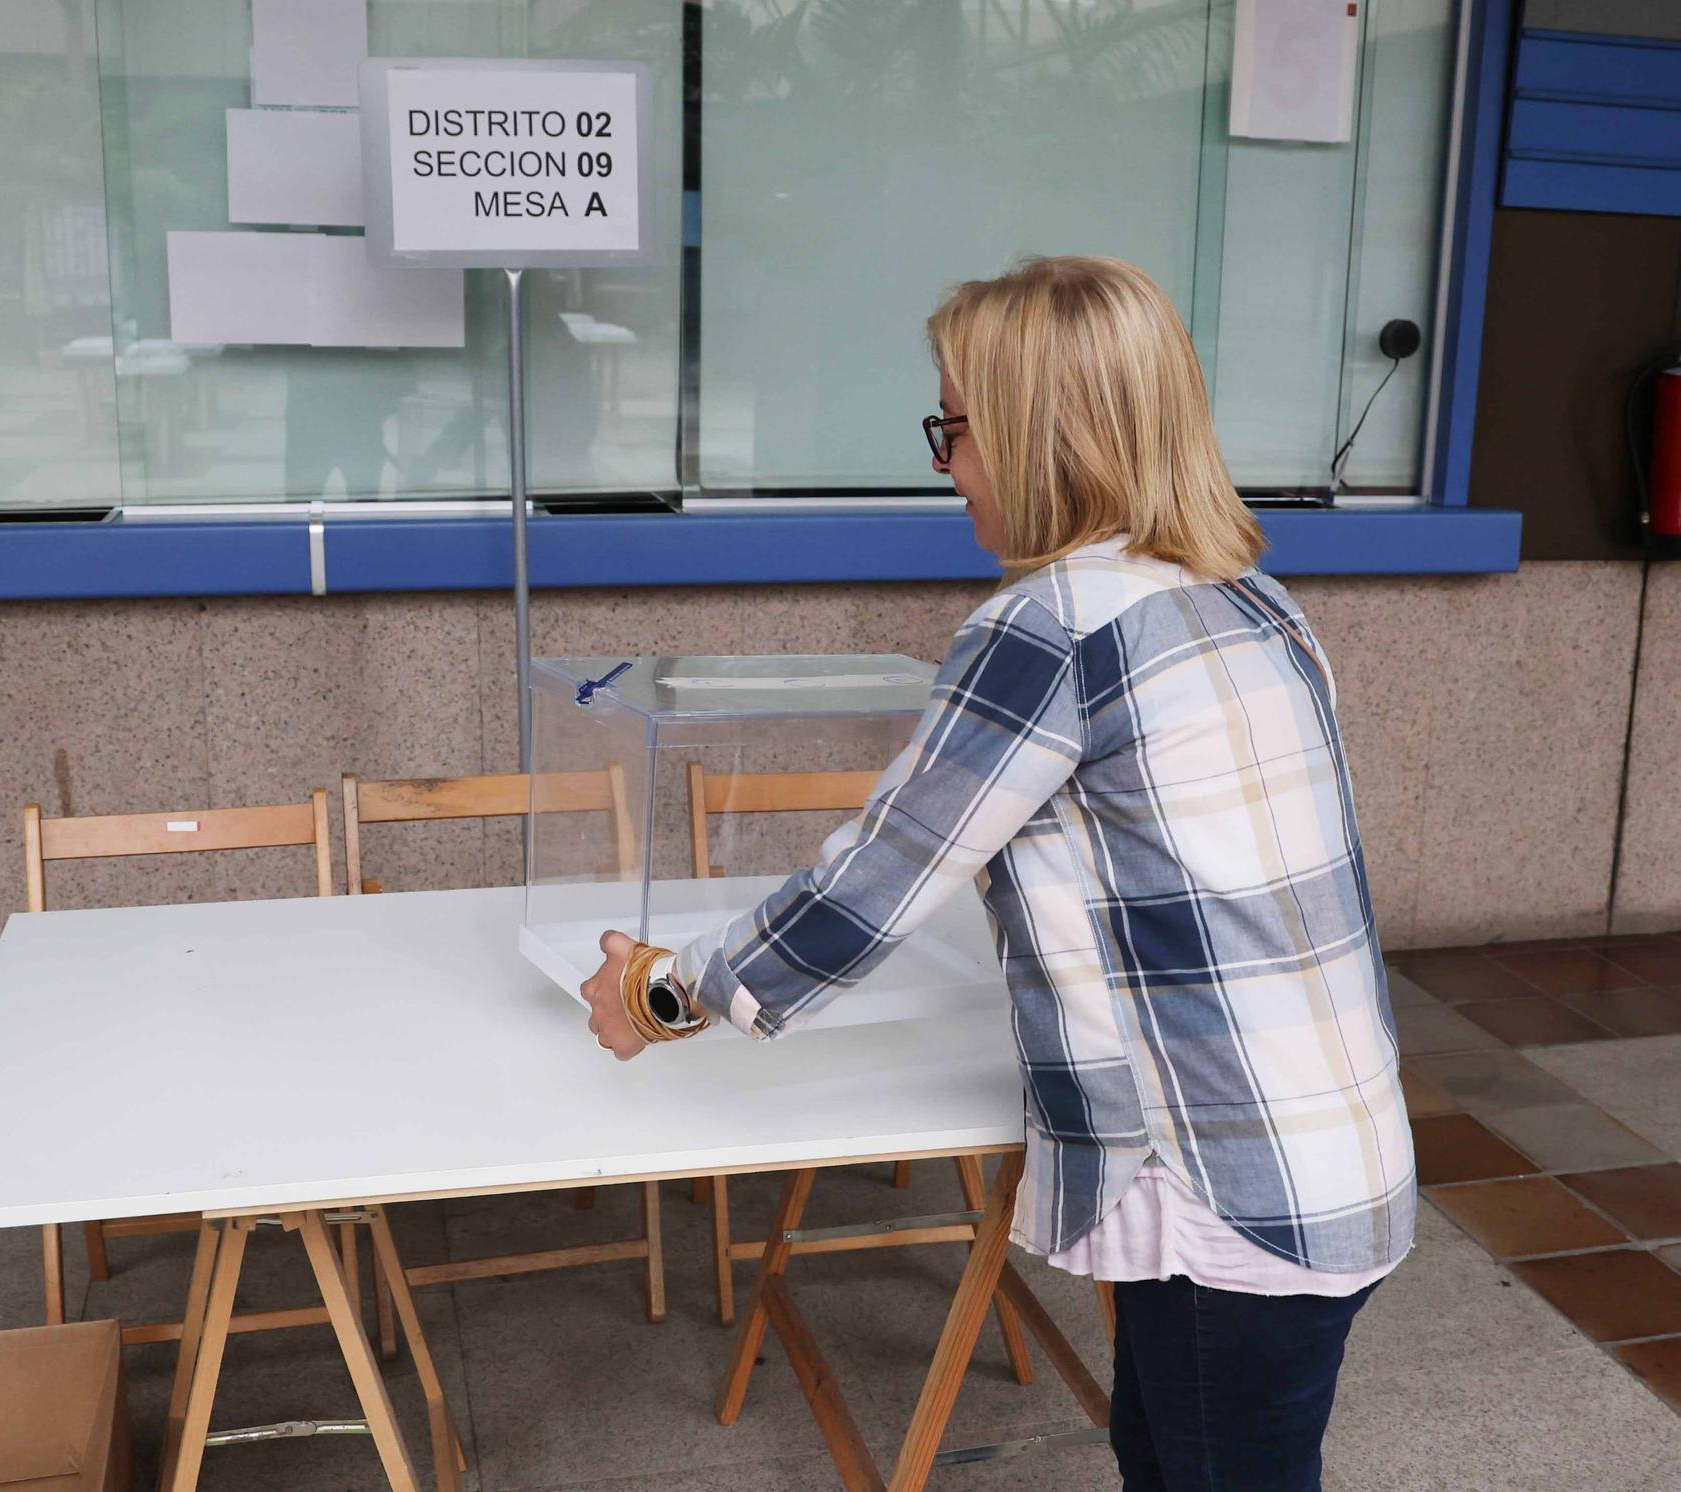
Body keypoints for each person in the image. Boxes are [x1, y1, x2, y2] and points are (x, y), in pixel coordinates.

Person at [580, 255, 1413, 1491]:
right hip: (1328, 1153)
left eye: (954, 427)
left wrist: (663, 993)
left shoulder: (1052, 626)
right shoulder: (1251, 600)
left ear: (1037, 436)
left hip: (1221, 1188)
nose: (944, 462)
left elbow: (868, 887)